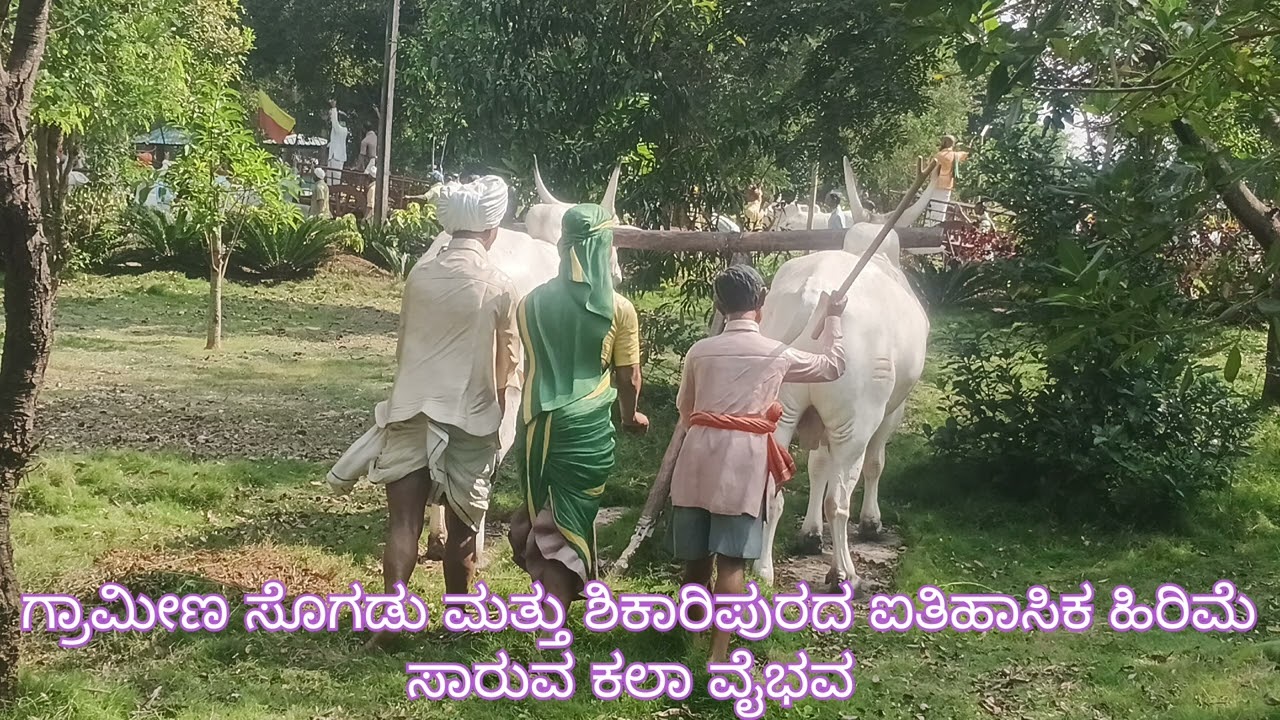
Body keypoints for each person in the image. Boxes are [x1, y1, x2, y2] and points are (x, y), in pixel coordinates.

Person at [352, 176, 519, 649]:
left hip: (409, 409)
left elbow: (404, 346)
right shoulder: (499, 285)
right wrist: (499, 411)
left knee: (402, 522)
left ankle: (389, 624)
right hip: (469, 416)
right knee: (464, 527)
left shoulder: (419, 277)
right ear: (491, 232)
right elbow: (508, 362)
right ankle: (459, 622)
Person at [669, 264, 846, 663]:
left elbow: (686, 409)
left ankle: (689, 642)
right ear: (761, 305)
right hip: (744, 461)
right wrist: (833, 319)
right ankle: (717, 654)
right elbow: (833, 365)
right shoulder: (776, 354)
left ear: (719, 305)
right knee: (732, 562)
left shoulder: (700, 351)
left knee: (696, 563)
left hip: (697, 456)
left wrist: (709, 428)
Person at [508, 203, 648, 613]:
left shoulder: (530, 303)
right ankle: (552, 631)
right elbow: (630, 379)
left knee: (545, 511)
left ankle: (539, 573)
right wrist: (630, 416)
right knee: (569, 523)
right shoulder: (618, 309)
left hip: (536, 426)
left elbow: (536, 363)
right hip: (586, 429)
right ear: (604, 248)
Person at [929, 135, 970, 226]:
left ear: (945, 143)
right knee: (941, 210)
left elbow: (930, 169)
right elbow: (967, 155)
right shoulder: (955, 155)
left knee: (933, 209)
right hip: (947, 186)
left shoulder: (938, 155)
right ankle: (937, 228)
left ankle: (930, 227)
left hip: (935, 185)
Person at [326, 100, 349, 185]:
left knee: (335, 179)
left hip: (337, 157)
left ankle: (334, 194)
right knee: (330, 178)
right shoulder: (340, 130)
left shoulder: (342, 130)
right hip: (333, 156)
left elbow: (334, 122)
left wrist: (333, 108)